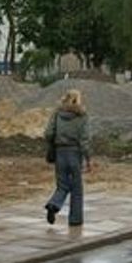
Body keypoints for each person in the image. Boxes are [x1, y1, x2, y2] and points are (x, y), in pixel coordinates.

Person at [44, 89, 92, 226]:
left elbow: (48, 133)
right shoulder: (82, 115)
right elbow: (84, 140)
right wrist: (88, 159)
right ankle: (75, 220)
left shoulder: (57, 113)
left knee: (62, 185)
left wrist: (53, 145)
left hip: (60, 152)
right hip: (75, 152)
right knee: (77, 188)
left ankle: (53, 204)